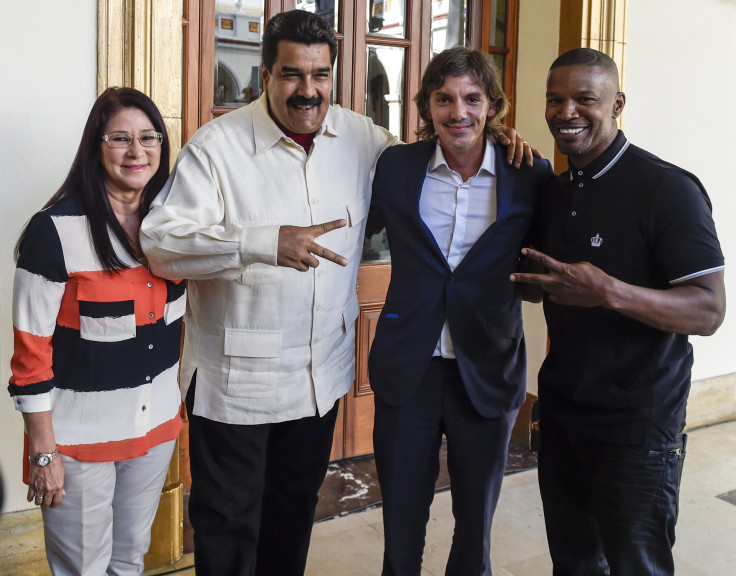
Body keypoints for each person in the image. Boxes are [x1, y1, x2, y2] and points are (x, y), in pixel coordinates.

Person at [140, 10, 532, 576]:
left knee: (294, 513)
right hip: (236, 383)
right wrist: (261, 241)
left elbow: (441, 153)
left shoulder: (365, 139)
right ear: (265, 75)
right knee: (228, 524)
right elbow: (161, 245)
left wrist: (495, 135)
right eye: (292, 75)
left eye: (320, 75)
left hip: (318, 378)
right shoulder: (216, 146)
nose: (308, 90)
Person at [511, 48, 726, 575]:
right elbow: (547, 286)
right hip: (562, 418)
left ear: (617, 104)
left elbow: (709, 310)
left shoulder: (668, 189)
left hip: (638, 427)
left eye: (585, 99)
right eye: (555, 100)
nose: (567, 113)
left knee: (637, 565)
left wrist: (610, 291)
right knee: (575, 563)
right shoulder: (556, 192)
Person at [366, 47, 553, 576]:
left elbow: (541, 264)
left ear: (493, 106)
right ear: (426, 106)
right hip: (410, 367)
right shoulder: (396, 166)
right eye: (443, 99)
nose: (458, 112)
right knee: (402, 521)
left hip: (488, 367)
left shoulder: (529, 174)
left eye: (472, 99)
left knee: (476, 525)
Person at [8, 87, 184, 576]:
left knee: (129, 561)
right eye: (120, 138)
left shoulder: (173, 228)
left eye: (149, 137)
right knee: (82, 569)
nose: (137, 151)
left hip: (154, 432)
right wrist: (44, 454)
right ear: (95, 147)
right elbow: (30, 354)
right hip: (77, 443)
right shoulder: (54, 232)